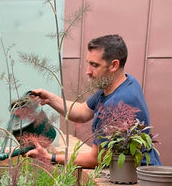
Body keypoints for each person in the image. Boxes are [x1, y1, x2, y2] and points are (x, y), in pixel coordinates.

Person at [25, 34, 163, 168]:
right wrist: (49, 98)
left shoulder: (117, 104)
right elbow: (82, 112)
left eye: (94, 65)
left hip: (139, 179)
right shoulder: (123, 83)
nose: (88, 71)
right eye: (88, 63)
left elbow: (96, 159)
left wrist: (50, 157)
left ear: (114, 65)